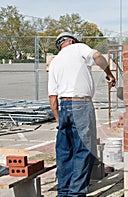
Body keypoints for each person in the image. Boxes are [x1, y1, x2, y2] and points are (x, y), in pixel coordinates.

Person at [48, 32, 116, 196]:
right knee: (83, 150)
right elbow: (98, 56)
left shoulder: (55, 61)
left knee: (64, 151)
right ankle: (75, 193)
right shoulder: (78, 48)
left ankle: (63, 191)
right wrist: (109, 73)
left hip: (64, 106)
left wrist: (59, 119)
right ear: (71, 41)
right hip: (81, 104)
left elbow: (52, 97)